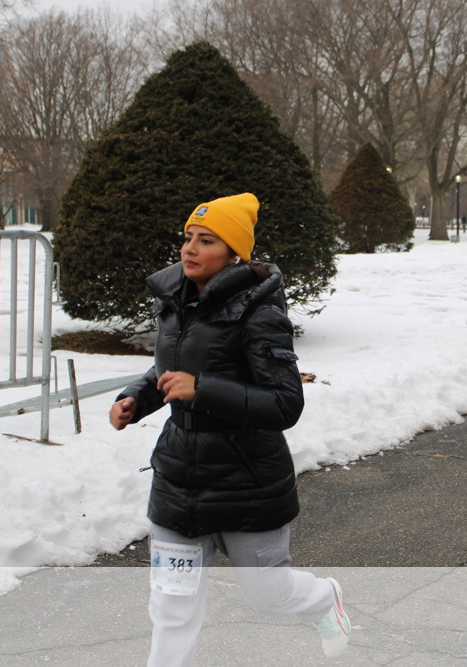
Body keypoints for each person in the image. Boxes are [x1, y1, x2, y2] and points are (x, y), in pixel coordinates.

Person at [109, 193, 350, 665]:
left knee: (269, 595)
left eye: (207, 240)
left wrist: (202, 389)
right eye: (188, 237)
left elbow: (284, 403)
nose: (190, 248)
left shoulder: (260, 312)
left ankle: (324, 600)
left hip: (246, 479)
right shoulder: (175, 302)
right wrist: (136, 399)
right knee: (172, 606)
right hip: (179, 475)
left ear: (234, 253)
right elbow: (169, 371)